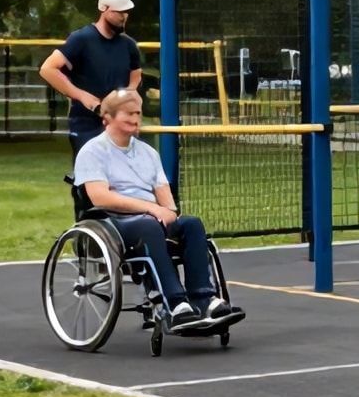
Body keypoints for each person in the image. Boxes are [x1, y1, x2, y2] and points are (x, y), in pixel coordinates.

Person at [72, 89, 241, 327]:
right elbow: (100, 198)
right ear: (107, 118)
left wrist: (169, 211)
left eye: (138, 113)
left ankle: (204, 298)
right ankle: (174, 303)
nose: (135, 119)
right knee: (148, 225)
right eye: (128, 114)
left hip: (151, 216)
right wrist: (151, 209)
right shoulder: (92, 151)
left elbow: (165, 196)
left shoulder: (148, 153)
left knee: (191, 224)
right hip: (113, 220)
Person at [40, 0, 143, 156]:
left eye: (126, 12)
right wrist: (82, 96)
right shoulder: (81, 39)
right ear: (104, 9)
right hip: (86, 122)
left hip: (119, 121)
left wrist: (128, 96)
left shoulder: (128, 44)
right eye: (118, 12)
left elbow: (136, 74)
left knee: (121, 177)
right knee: (89, 176)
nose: (123, 16)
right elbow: (48, 69)